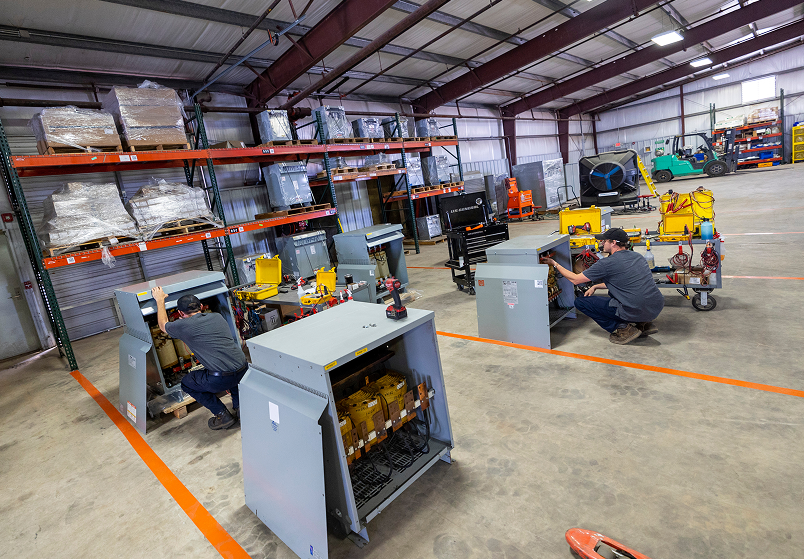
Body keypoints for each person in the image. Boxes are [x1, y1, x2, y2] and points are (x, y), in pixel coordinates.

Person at [541, 228, 664, 345]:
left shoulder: (607, 263)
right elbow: (622, 282)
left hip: (635, 308)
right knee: (625, 296)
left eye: (605, 241)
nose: (602, 243)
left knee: (581, 302)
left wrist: (555, 263)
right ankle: (644, 323)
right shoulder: (637, 257)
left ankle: (624, 329)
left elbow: (575, 280)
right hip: (655, 306)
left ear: (613, 243)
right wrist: (595, 287)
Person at [151, 286, 247, 430]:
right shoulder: (217, 316)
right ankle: (241, 409)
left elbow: (163, 325)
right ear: (201, 306)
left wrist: (159, 300)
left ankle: (222, 415)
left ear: (180, 313)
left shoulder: (182, 326)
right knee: (229, 366)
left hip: (220, 379)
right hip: (244, 370)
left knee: (187, 383)